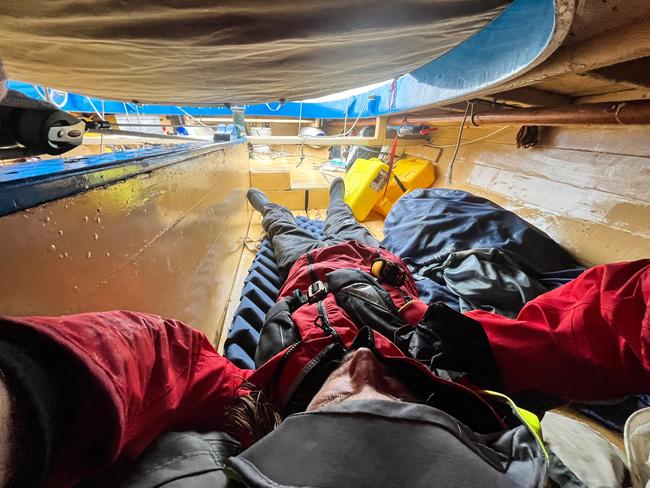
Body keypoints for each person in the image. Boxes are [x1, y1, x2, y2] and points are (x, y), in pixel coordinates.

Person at [0, 178, 648, 487]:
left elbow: (157, 354)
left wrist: (28, 394)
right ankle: (335, 192)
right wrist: (462, 341)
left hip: (299, 276)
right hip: (366, 261)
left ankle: (273, 209)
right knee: (341, 216)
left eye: (339, 405)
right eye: (393, 399)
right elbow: (610, 315)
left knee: (284, 229)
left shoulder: (256, 409)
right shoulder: (464, 367)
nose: (363, 370)